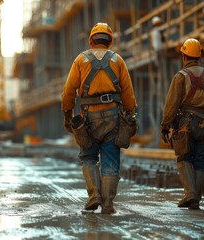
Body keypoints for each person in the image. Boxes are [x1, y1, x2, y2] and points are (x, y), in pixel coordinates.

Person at [61, 22, 137, 214]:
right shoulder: (117, 60)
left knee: (88, 156)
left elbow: (68, 91)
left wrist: (67, 115)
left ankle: (94, 194)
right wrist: (130, 113)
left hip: (88, 117)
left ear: (92, 40)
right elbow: (128, 92)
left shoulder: (81, 60)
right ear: (109, 41)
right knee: (111, 159)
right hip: (113, 116)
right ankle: (108, 204)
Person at [160, 38, 204, 210]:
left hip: (185, 124)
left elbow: (171, 104)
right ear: (199, 56)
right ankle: (196, 198)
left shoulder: (180, 76)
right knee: (201, 160)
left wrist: (165, 125)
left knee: (184, 156)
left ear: (183, 55)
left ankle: (190, 194)